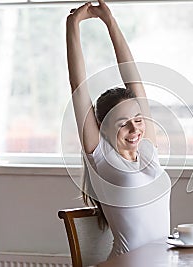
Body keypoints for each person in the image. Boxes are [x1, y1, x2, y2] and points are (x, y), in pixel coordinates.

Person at [66, 0, 171, 258]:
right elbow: (78, 87)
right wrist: (72, 26)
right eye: (123, 123)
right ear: (101, 127)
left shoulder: (147, 152)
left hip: (165, 261)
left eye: (138, 119)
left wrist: (110, 21)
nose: (134, 128)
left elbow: (134, 79)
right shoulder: (101, 157)